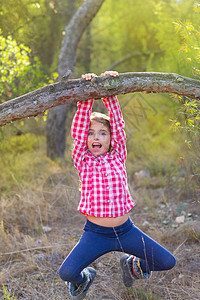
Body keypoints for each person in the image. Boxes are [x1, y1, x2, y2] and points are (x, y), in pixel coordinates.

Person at [59, 71, 176, 299]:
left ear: (111, 139)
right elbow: (78, 130)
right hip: (95, 234)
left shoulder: (118, 155)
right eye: (91, 133)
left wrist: (109, 91)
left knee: (167, 261)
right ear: (85, 138)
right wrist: (87, 93)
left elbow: (119, 126)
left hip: (126, 231)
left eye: (103, 133)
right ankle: (86, 278)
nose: (97, 137)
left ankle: (134, 267)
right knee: (67, 272)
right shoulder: (83, 159)